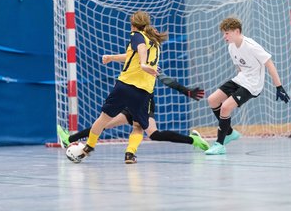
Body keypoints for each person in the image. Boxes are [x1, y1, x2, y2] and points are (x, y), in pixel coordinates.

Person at [68, 10, 169, 162]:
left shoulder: (137, 35)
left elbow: (140, 48)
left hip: (124, 85)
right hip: (142, 91)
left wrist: (143, 63)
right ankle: (130, 153)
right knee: (138, 126)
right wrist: (112, 58)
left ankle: (89, 146)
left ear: (133, 25)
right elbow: (131, 55)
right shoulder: (153, 41)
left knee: (103, 119)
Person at [57, 68, 209, 163]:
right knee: (103, 124)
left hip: (144, 101)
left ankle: (193, 140)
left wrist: (185, 90)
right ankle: (69, 139)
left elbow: (165, 79)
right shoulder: (134, 57)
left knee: (153, 134)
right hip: (129, 101)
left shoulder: (150, 62)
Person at [205, 17, 290, 155]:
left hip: (252, 85)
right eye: (224, 33)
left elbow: (269, 64)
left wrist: (279, 87)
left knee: (226, 107)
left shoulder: (251, 45)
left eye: (227, 33)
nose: (224, 36)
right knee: (212, 100)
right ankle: (230, 133)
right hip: (241, 80)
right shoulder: (231, 47)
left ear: (237, 31)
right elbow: (239, 68)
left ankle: (219, 144)